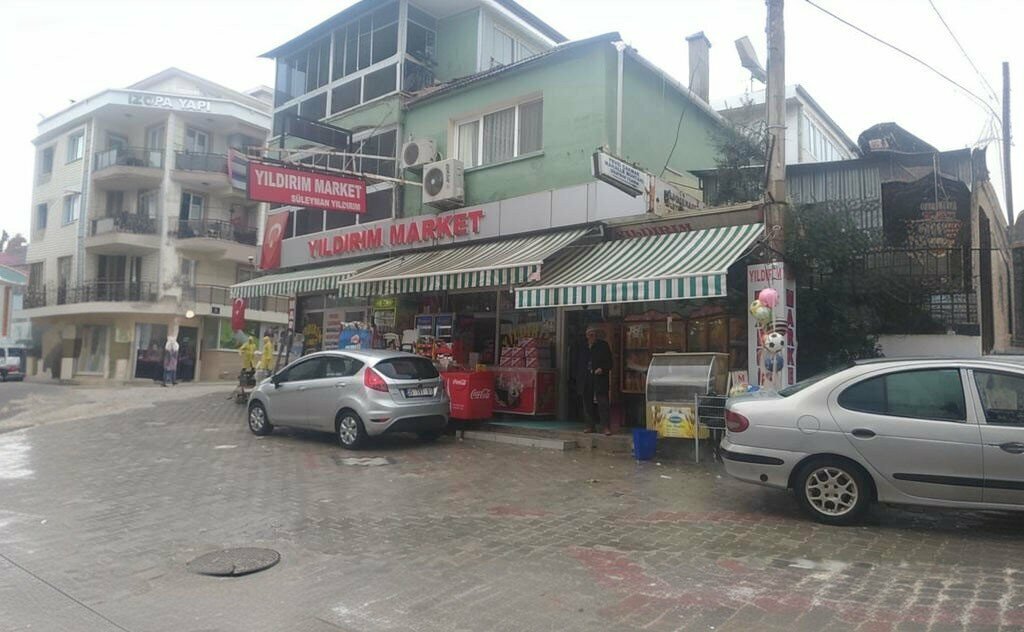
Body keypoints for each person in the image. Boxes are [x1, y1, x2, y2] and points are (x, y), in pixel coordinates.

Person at [582, 326, 613, 436]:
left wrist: (602, 369)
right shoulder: (583, 347)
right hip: (586, 377)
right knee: (587, 403)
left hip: (600, 378)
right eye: (590, 335)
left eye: (594, 335)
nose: (592, 337)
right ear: (586, 336)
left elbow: (610, 362)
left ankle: (605, 427)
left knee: (603, 402)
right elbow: (578, 362)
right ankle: (590, 425)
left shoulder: (603, 346)